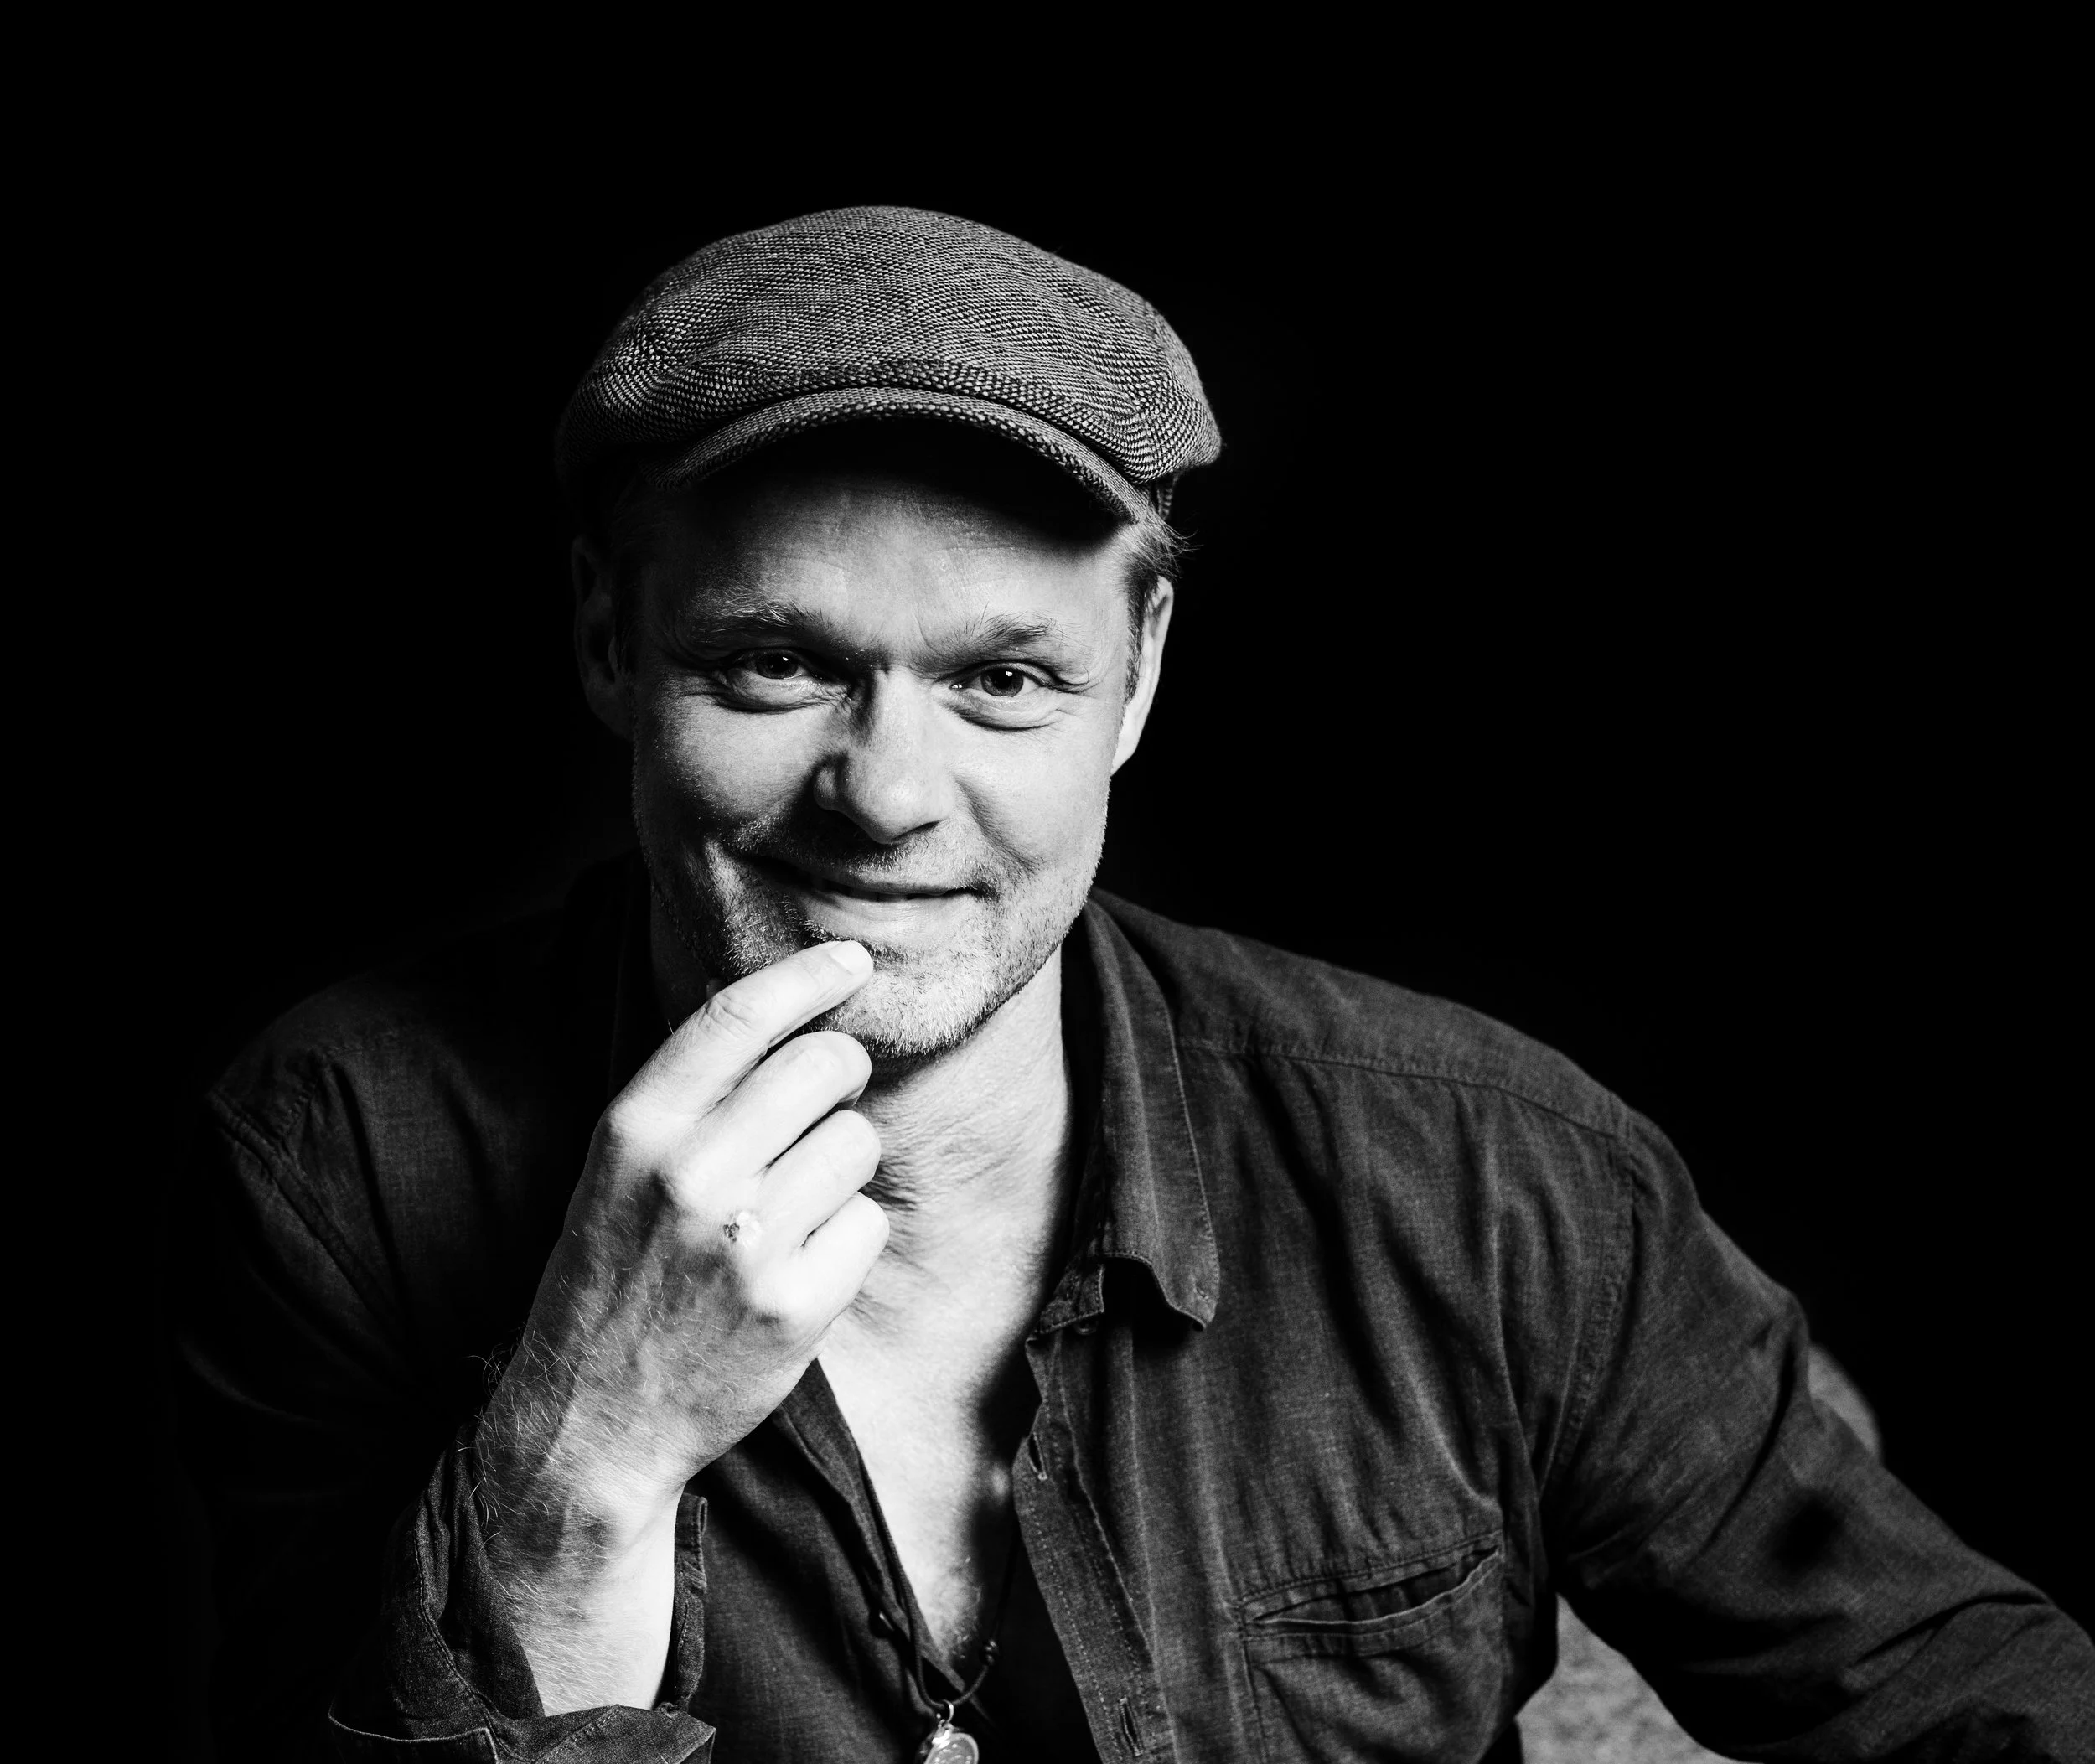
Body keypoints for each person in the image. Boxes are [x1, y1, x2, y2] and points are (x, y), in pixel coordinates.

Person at [174, 206, 2094, 1764]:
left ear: (1141, 672)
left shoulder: (1490, 1176)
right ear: (609, 636)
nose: (890, 795)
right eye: (774, 665)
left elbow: (1976, 1698)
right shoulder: (328, 1162)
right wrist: (582, 1466)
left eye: (1001, 677)